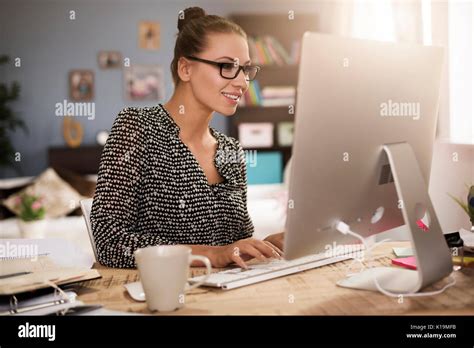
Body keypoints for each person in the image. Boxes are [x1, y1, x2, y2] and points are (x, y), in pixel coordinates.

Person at [90, 6, 284, 269]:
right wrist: (210, 254)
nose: (242, 82)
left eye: (246, 69)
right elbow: (109, 242)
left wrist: (262, 245)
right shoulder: (136, 127)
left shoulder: (231, 149)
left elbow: (234, 245)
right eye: (227, 66)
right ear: (185, 69)